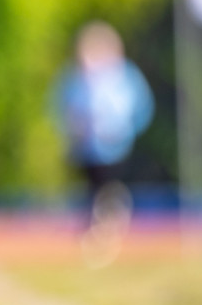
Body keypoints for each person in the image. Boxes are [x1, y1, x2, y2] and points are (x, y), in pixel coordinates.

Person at [53, 21, 153, 235]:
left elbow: (141, 108)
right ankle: (98, 221)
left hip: (115, 145)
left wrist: (128, 132)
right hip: (87, 145)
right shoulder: (76, 78)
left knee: (107, 185)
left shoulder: (124, 76)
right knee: (93, 187)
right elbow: (62, 106)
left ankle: (109, 218)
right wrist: (71, 129)